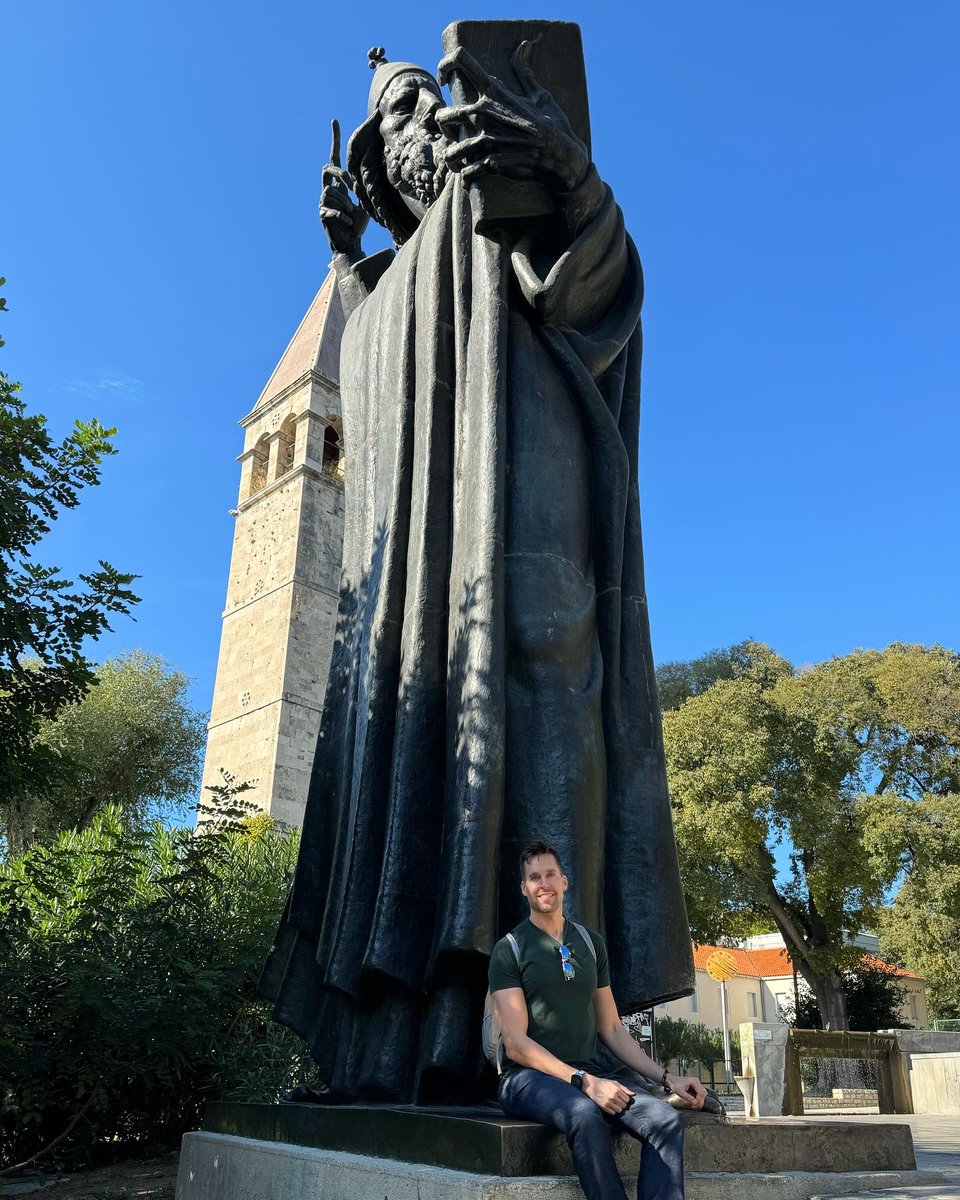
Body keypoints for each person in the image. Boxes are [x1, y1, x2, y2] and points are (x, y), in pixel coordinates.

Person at [260, 34, 694, 1103]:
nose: (412, 132)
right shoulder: (382, 288)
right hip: (414, 583)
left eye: (418, 104)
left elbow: (592, 291)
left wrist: (570, 178)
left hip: (529, 498)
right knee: (390, 744)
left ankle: (568, 1033)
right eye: (389, 128)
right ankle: (399, 1051)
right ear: (370, 179)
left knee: (549, 687)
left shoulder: (499, 198)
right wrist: (344, 257)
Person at [491, 841, 707, 1200]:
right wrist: (584, 1082)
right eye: (533, 878)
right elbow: (515, 1042)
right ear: (524, 888)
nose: (543, 883)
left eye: (549, 875)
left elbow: (611, 1028)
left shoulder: (590, 944)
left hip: (589, 1072)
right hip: (526, 1079)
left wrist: (668, 1078)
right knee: (584, 1115)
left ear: (564, 881)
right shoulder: (510, 948)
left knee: (665, 1121)